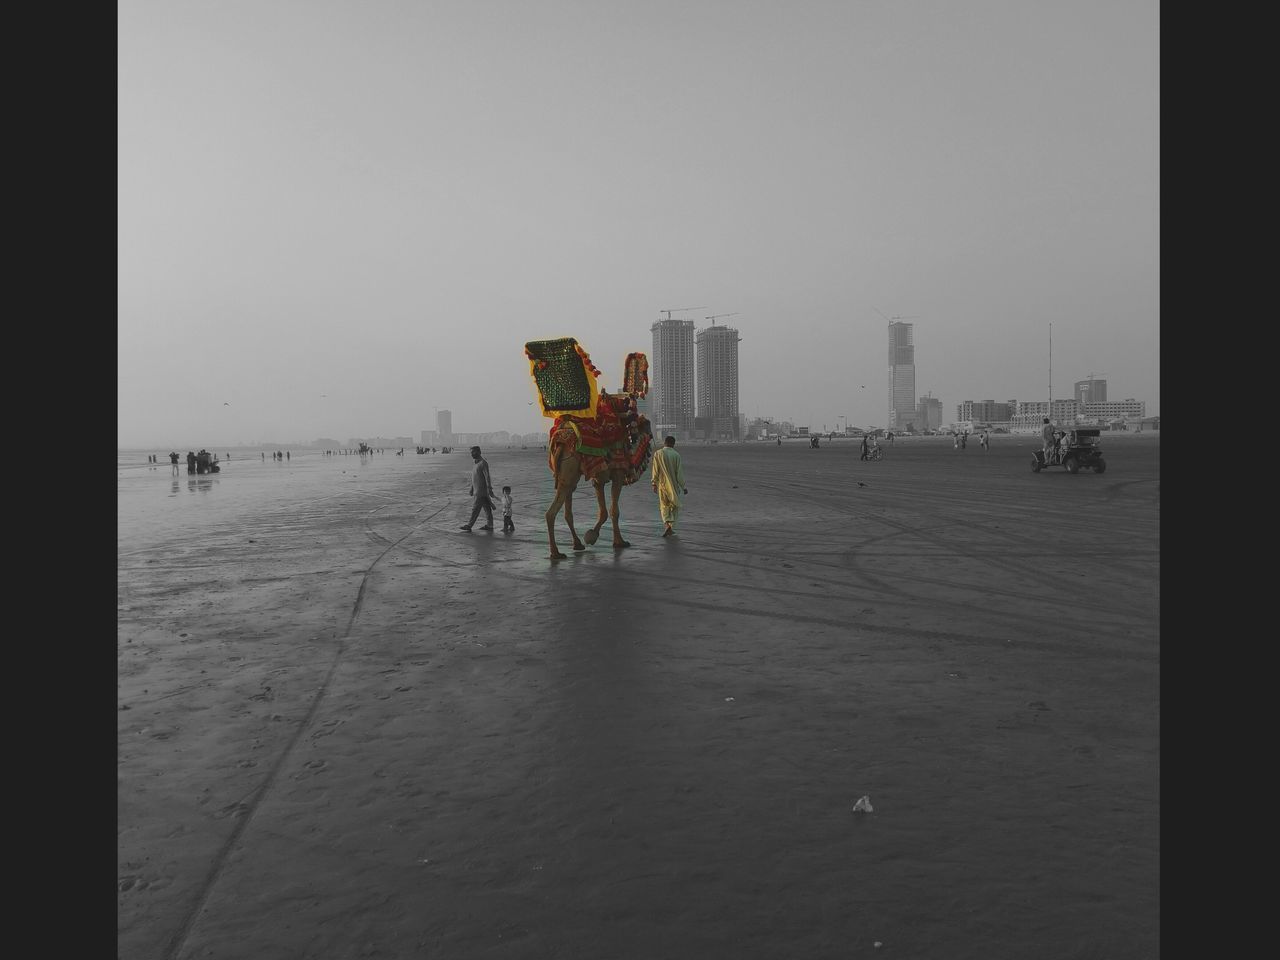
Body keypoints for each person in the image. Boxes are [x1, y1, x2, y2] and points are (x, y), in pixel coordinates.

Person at [650, 435, 687, 538]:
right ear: (673, 444)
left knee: (664, 506)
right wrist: (683, 487)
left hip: (662, 486)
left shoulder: (658, 453)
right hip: (674, 487)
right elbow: (679, 474)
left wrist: (654, 483)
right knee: (674, 506)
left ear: (664, 443)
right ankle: (671, 526)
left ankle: (667, 525)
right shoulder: (676, 455)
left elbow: (655, 470)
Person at [460, 446, 496, 531]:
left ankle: (469, 525)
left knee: (475, 508)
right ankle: (490, 525)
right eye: (471, 452)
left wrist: (489, 488)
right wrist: (471, 488)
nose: (471, 454)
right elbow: (475, 478)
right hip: (477, 490)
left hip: (480, 491)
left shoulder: (483, 463)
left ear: (479, 452)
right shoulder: (476, 463)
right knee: (487, 508)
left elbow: (487, 477)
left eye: (473, 452)